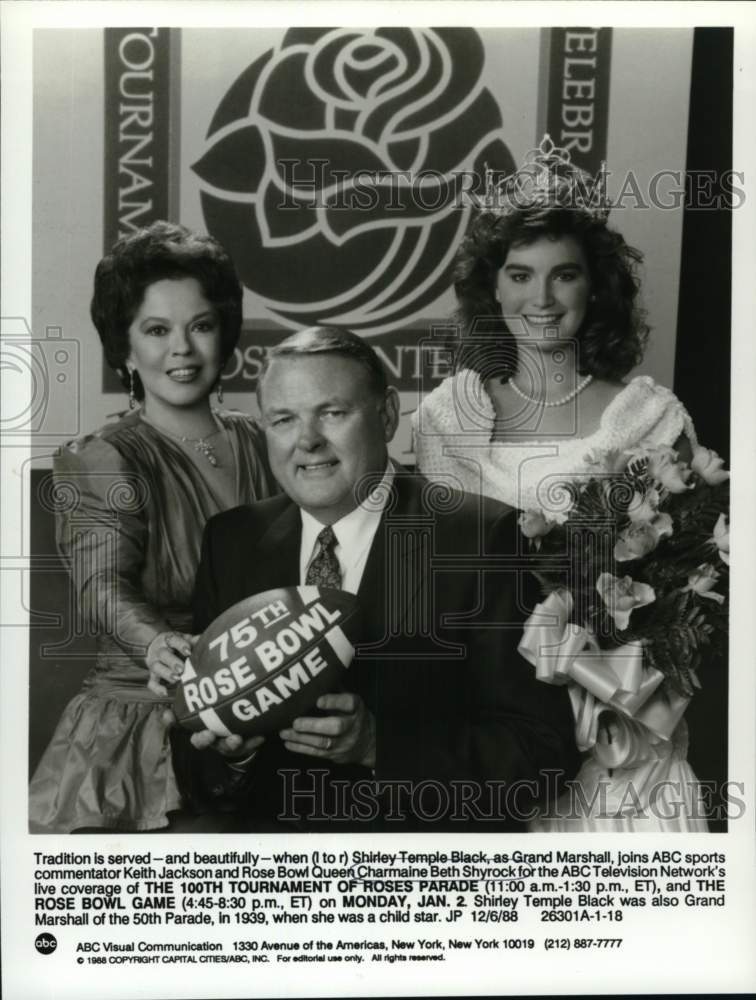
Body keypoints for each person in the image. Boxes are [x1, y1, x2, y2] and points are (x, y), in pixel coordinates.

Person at [159, 326, 580, 831]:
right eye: (283, 419)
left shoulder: (480, 536)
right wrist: (232, 753)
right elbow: (196, 765)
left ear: (385, 415)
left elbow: (543, 755)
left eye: (332, 413)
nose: (308, 440)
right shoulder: (231, 541)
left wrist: (380, 747)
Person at [413, 136, 708, 832]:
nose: (540, 298)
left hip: (620, 739)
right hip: (493, 748)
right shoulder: (445, 415)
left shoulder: (650, 418)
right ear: (492, 285)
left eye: (563, 275)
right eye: (519, 274)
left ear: (595, 285)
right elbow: (431, 588)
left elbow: (694, 602)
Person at [28, 221, 277, 833]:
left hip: (260, 716)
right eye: (157, 330)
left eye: (200, 326)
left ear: (226, 334)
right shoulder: (102, 455)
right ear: (124, 348)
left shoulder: (266, 440)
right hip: (144, 724)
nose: (182, 350)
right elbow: (100, 586)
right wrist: (157, 643)